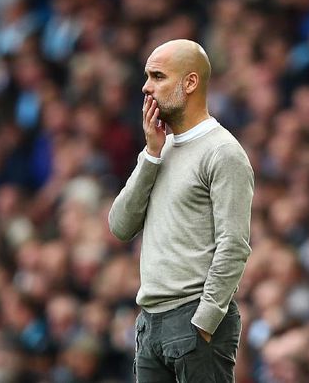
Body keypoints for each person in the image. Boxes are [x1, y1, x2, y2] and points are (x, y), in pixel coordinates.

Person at [108, 39, 254, 382]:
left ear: (190, 83)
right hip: (150, 322)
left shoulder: (222, 152)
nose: (146, 87)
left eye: (158, 76)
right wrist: (151, 155)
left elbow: (233, 245)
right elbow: (119, 225)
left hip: (193, 319)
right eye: (146, 76)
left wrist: (204, 321)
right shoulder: (159, 148)